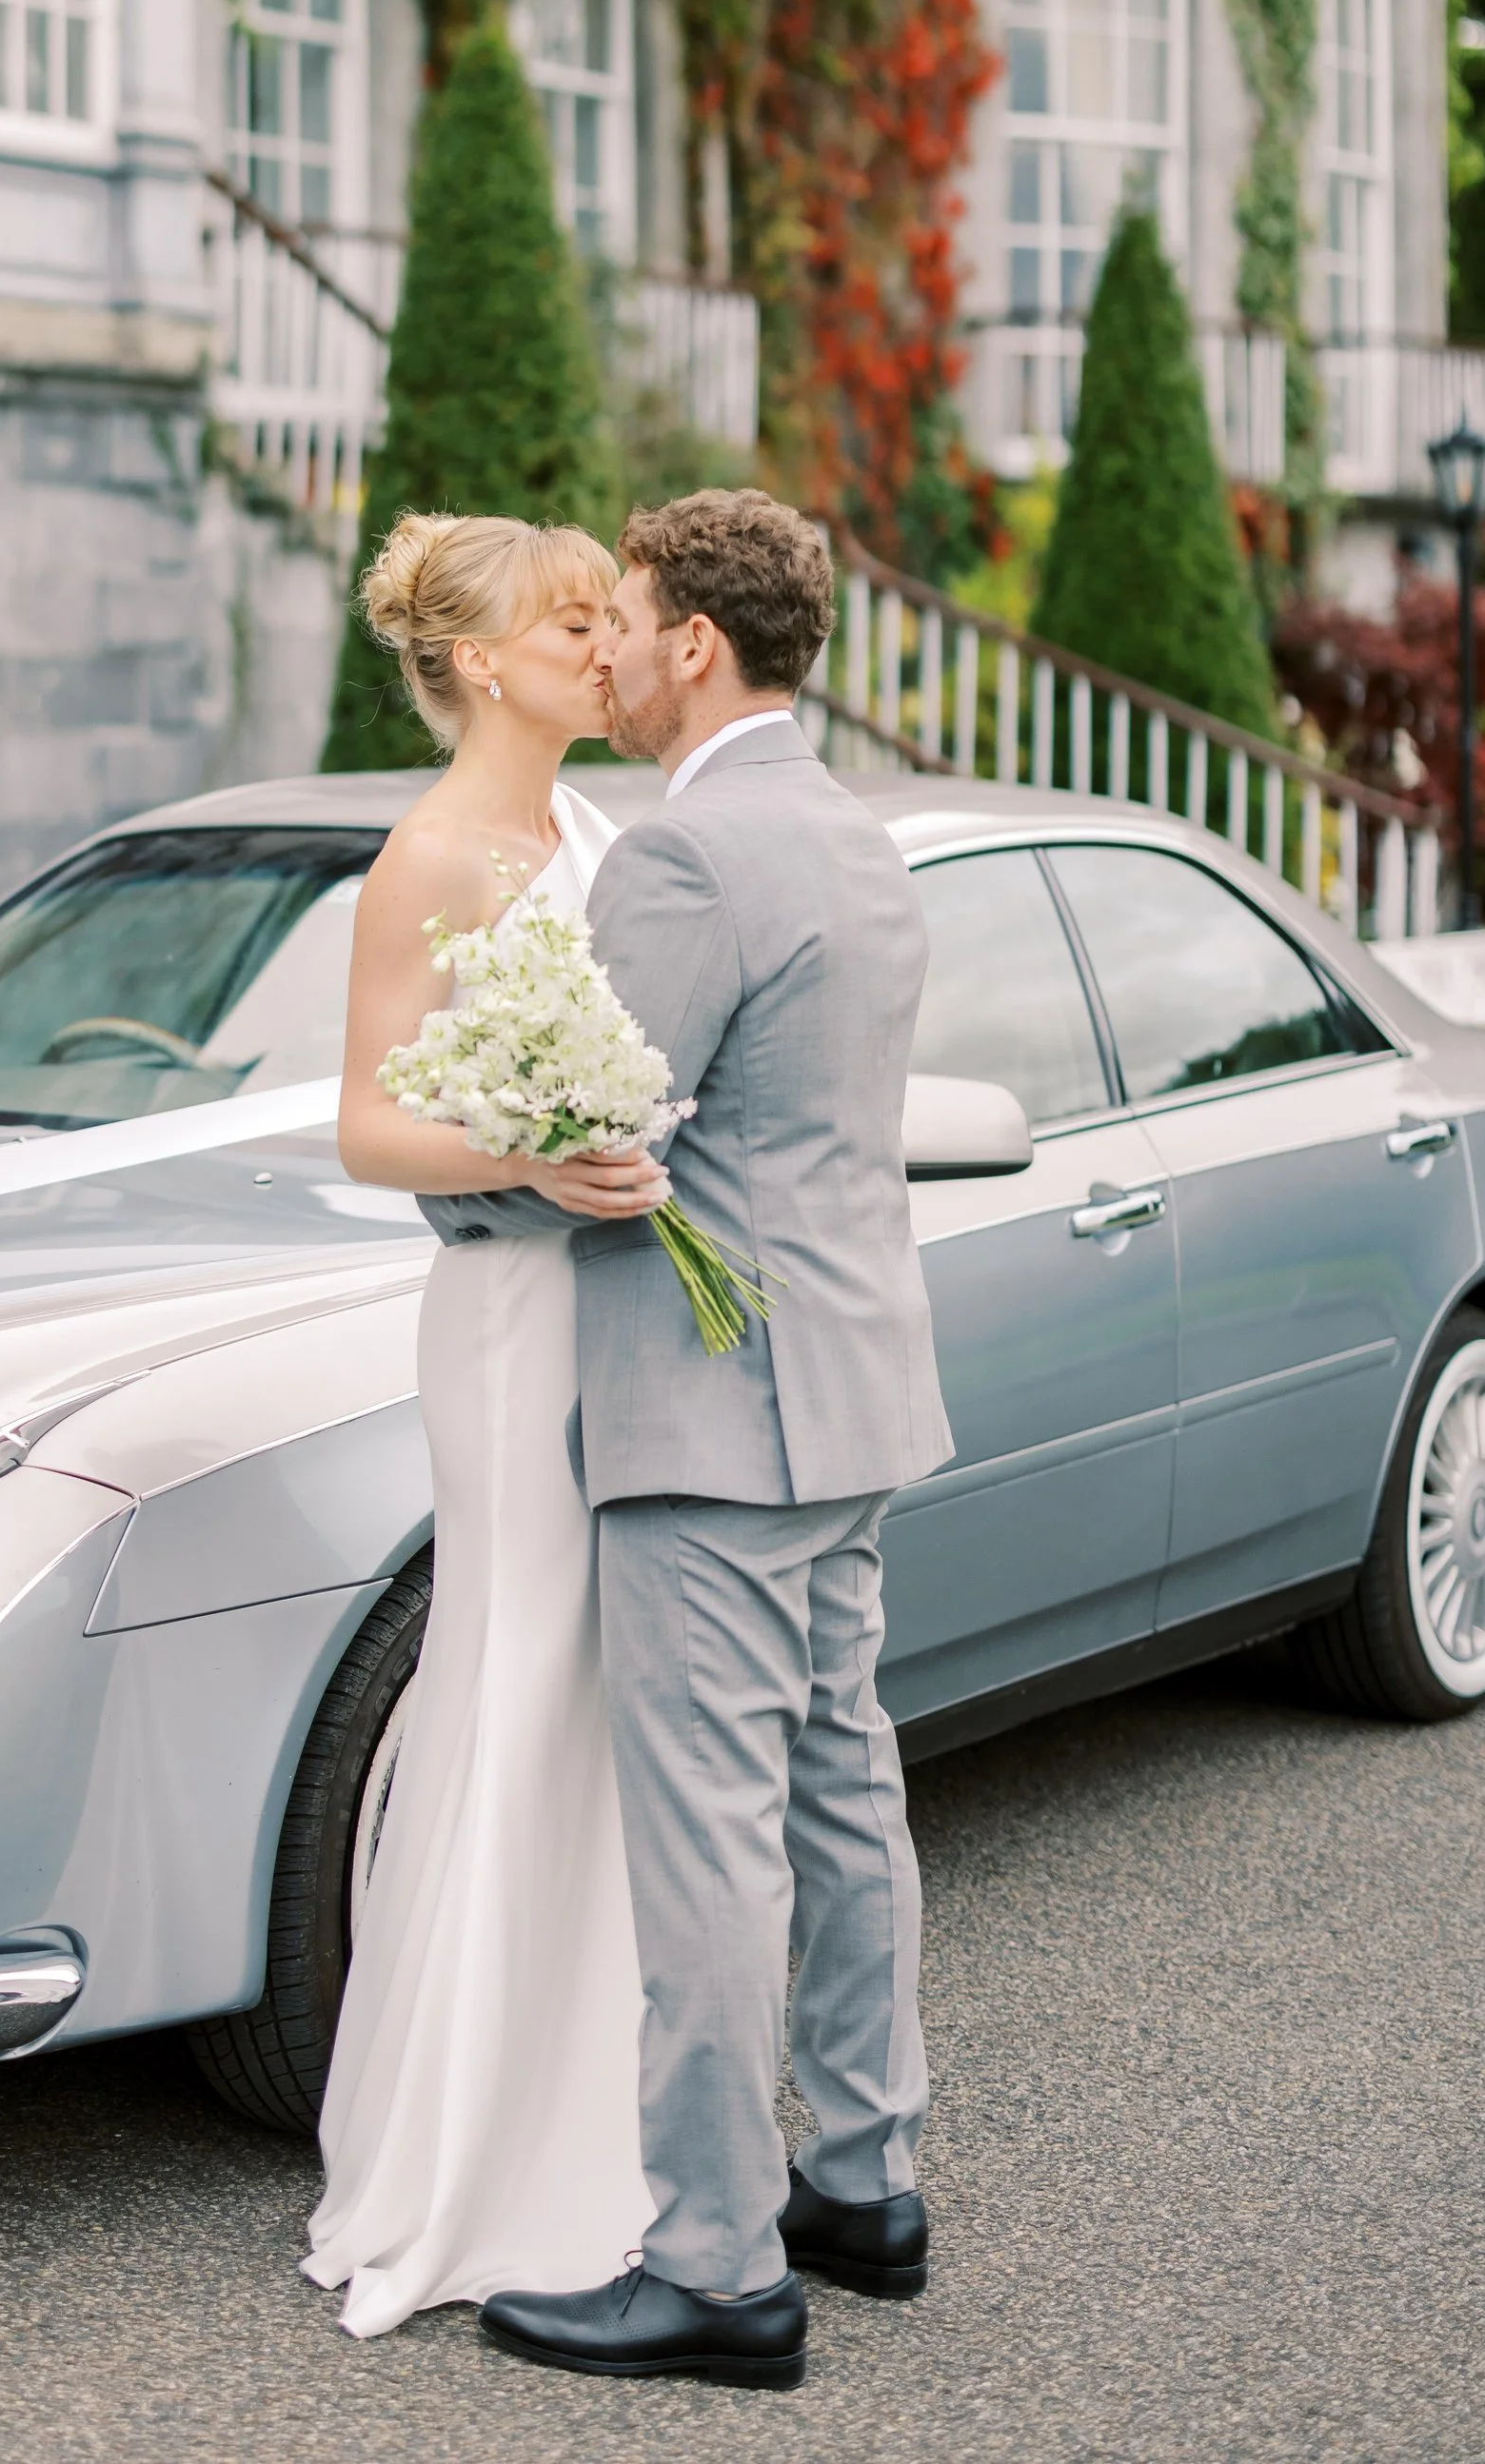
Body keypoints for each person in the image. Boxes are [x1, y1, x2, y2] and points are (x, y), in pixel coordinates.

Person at [466, 489, 955, 2392]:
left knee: (711, 1839)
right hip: (849, 1399)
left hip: (714, 1409)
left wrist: (465, 1178)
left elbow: (596, 1128)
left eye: (632, 618)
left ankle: (713, 2266)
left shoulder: (681, 860)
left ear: (693, 646)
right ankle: (863, 2175)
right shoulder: (852, 834)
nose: (610, 649)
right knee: (842, 1788)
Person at [303, 509, 665, 2336]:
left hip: (614, 1303)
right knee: (512, 1683)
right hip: (514, 1324)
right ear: (475, 662)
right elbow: (370, 1129)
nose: (607, 645)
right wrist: (534, 1153)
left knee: (593, 1705)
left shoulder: (585, 830)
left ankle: (598, 2131)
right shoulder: (434, 857)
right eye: (573, 621)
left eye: (611, 617)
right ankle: (468, 2170)